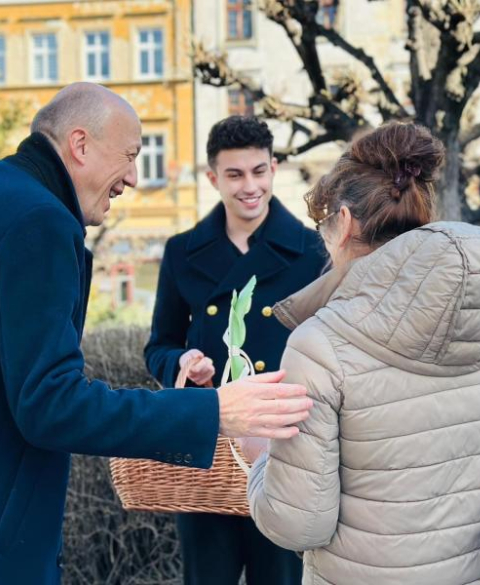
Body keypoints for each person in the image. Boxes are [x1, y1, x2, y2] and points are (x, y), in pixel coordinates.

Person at [0, 84, 313, 585]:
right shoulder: (37, 220)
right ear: (80, 145)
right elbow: (50, 403)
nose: (133, 176)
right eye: (130, 156)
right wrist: (215, 411)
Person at [240, 122, 480, 584]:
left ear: (343, 223)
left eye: (322, 229)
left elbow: (299, 523)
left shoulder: (318, 348)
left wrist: (260, 457)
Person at [145, 116, 326, 585]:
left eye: (259, 171)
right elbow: (159, 343)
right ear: (213, 178)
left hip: (285, 450)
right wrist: (180, 364)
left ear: (273, 168)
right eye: (235, 175)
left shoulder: (312, 250)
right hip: (211, 450)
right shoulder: (183, 251)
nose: (250, 186)